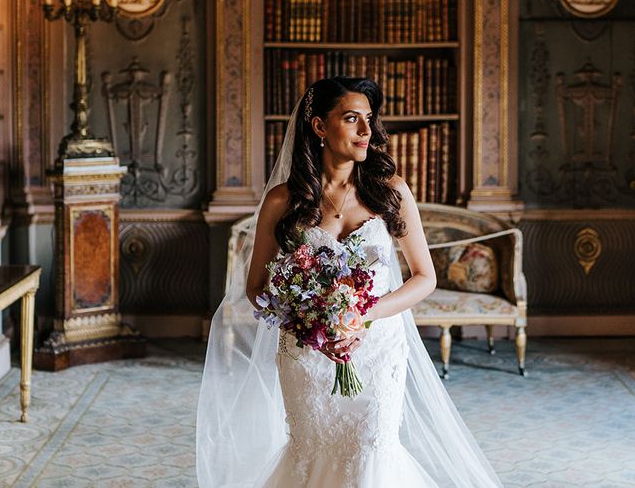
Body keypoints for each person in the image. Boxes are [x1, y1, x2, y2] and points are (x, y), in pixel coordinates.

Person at [196, 76, 501, 487]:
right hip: (307, 352)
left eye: (369, 120)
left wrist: (361, 315)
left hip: (377, 351)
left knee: (371, 449)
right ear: (320, 126)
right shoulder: (283, 200)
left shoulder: (390, 191)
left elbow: (424, 277)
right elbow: (257, 287)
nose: (366, 131)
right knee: (310, 449)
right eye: (352, 118)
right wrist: (309, 321)